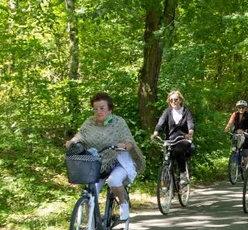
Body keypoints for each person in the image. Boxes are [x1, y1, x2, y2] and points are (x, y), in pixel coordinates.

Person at [64, 92, 145, 222]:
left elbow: (130, 143)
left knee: (113, 181)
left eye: (102, 108)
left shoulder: (118, 122)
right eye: (95, 108)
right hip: (97, 164)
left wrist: (123, 145)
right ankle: (92, 223)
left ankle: (123, 205)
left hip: (118, 161)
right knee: (90, 192)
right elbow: (79, 136)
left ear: (110, 109)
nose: (98, 111)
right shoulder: (89, 122)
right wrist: (71, 142)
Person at [151, 89, 196, 172]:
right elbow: (160, 123)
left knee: (178, 152)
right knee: (167, 157)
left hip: (183, 139)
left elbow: (190, 123)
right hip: (170, 140)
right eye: (171, 100)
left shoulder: (186, 112)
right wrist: (155, 133)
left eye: (176, 99)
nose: (173, 102)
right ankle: (167, 176)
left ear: (180, 100)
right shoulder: (167, 112)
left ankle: (182, 173)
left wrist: (190, 132)